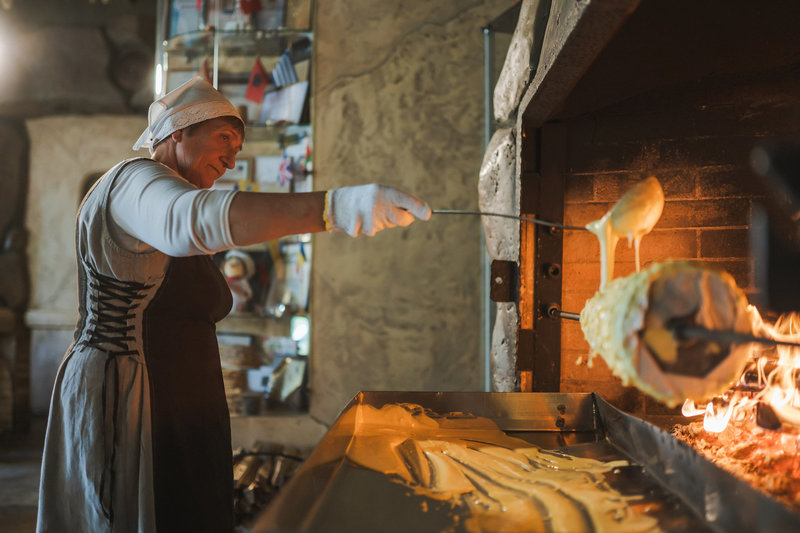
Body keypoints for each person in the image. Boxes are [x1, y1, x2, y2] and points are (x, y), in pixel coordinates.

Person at [36, 76, 430, 533]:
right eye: (224, 138)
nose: (231, 157)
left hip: (183, 403)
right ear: (177, 131)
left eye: (238, 148)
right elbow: (190, 221)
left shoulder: (172, 193)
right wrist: (334, 207)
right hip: (127, 396)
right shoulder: (133, 181)